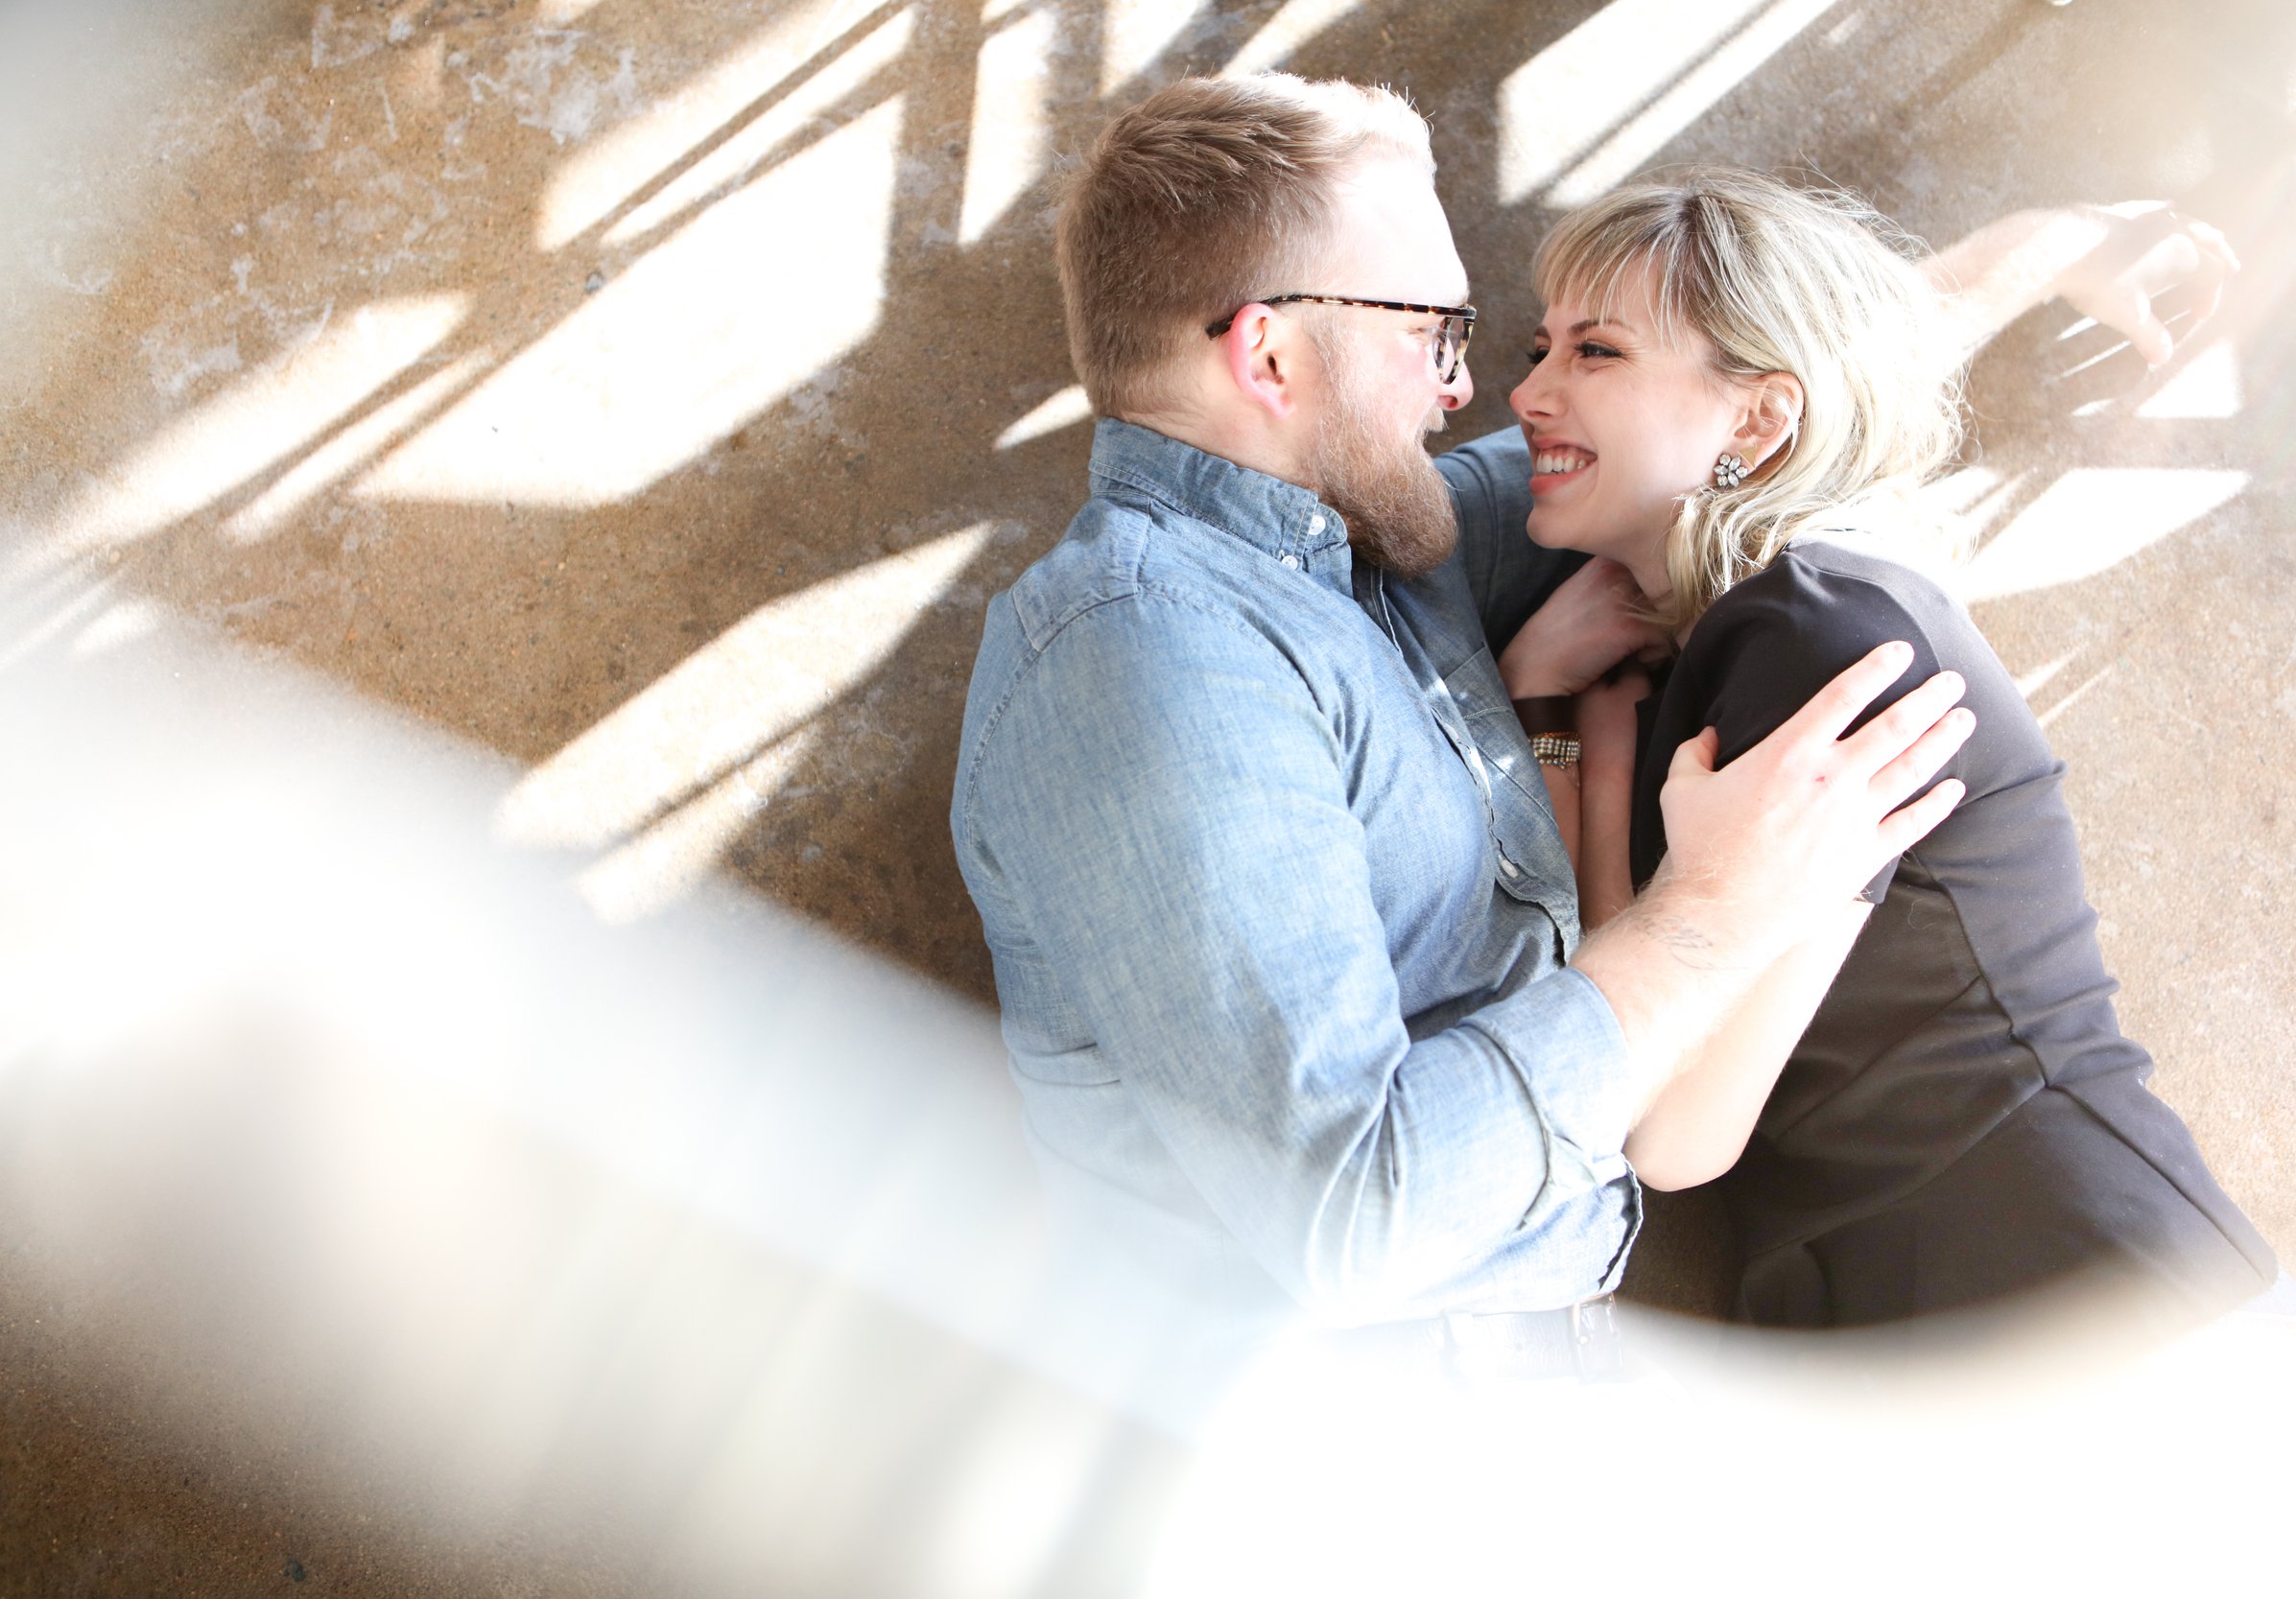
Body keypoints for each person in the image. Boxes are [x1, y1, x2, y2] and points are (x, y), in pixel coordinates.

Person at [949, 73, 2226, 1376]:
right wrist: (1711, 915)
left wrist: (2039, 251)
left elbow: (1727, 415)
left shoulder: (1390, 553)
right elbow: (1356, 1213)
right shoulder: (1145, 646)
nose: (1471, 389)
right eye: (1434, 331)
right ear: (1268, 354)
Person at [1495, 168, 2277, 1329]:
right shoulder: (1731, 638)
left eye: (1593, 352)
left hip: (2091, 1303)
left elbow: (1663, 1124)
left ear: (1758, 419)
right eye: (1539, 346)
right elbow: (1647, 990)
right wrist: (1556, 715)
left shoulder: (1825, 639)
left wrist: (1564, 732)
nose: (1525, 393)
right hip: (1932, 1310)